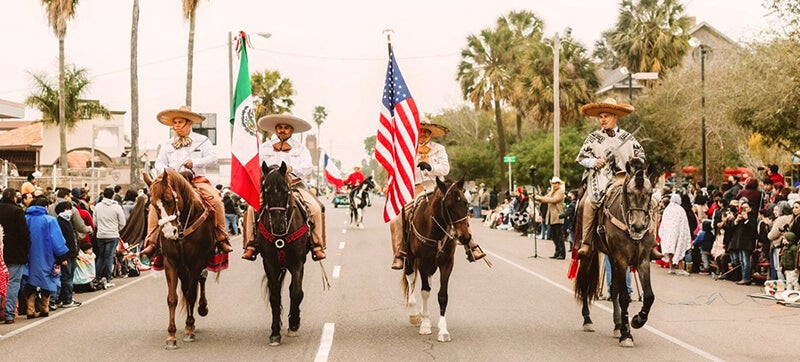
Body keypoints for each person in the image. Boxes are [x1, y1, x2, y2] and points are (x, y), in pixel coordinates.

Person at [389, 117, 485, 269]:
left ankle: (472, 246)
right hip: (417, 188)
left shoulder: (439, 149)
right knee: (397, 220)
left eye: (426, 132)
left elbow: (445, 169)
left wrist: (430, 167)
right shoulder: (407, 149)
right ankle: (399, 254)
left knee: (458, 208)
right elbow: (402, 170)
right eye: (420, 131)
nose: (423, 134)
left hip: (438, 188)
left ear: (430, 134)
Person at [141, 106, 233, 257]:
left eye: (180, 122)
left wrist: (195, 162)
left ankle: (221, 236)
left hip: (196, 181)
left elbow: (213, 158)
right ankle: (151, 241)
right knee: (154, 205)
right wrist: (167, 171)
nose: (176, 125)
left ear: (189, 123)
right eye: (175, 122)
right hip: (173, 183)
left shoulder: (202, 140)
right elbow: (159, 163)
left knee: (216, 200)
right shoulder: (167, 144)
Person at [574, 98, 659, 259]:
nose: (602, 120)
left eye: (606, 116)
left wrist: (636, 162)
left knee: (652, 202)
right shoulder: (593, 138)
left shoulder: (628, 138)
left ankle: (652, 242)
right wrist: (593, 162)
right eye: (601, 117)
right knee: (588, 203)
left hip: (625, 178)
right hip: (601, 179)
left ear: (615, 116)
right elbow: (581, 158)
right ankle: (586, 242)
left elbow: (641, 156)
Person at [241, 114, 326, 261]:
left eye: (286, 128)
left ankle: (317, 244)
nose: (283, 130)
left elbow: (308, 167)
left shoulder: (300, 149)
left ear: (292, 130)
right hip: (270, 187)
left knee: (315, 208)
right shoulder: (265, 147)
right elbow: (257, 165)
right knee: (250, 208)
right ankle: (251, 244)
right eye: (280, 127)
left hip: (294, 186)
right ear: (276, 129)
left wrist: (292, 169)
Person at [24, 196, 69, 319]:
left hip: (29, 256)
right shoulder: (50, 220)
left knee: (30, 280)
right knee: (47, 280)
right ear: (46, 207)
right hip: (47, 255)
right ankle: (45, 308)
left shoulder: (26, 218)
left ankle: (30, 309)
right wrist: (62, 256)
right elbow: (57, 240)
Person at [0, 188, 31, 324]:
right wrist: (25, 249)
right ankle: (9, 314)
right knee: (13, 283)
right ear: (14, 198)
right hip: (15, 253)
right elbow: (24, 234)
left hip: (0, 253)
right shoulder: (17, 211)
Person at [94, 188, 126, 288]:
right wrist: (116, 229)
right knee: (109, 257)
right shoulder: (117, 207)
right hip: (112, 234)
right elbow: (122, 223)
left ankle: (97, 278)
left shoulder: (98, 206)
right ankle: (108, 279)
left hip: (100, 235)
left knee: (101, 257)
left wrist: (101, 228)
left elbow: (94, 222)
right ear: (113, 196)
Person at [52, 201, 81, 308]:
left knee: (69, 276)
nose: (69, 211)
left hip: (72, 254)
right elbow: (59, 241)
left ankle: (64, 298)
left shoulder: (68, 221)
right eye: (66, 209)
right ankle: (67, 300)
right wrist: (62, 257)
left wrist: (76, 252)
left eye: (69, 209)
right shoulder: (59, 222)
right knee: (66, 277)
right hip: (66, 255)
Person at [659, 194, 692, 276]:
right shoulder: (681, 210)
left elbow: (663, 222)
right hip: (678, 233)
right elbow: (684, 223)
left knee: (670, 250)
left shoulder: (667, 210)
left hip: (668, 233)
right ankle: (681, 269)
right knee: (679, 248)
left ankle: (671, 268)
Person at [536, 177, 566, 259]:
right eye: (553, 183)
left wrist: (540, 198)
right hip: (551, 216)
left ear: (559, 184)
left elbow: (553, 200)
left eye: (555, 183)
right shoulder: (552, 191)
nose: (554, 185)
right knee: (554, 235)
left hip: (558, 215)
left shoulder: (561, 191)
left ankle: (562, 253)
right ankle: (557, 252)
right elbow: (546, 198)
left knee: (559, 235)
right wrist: (537, 198)